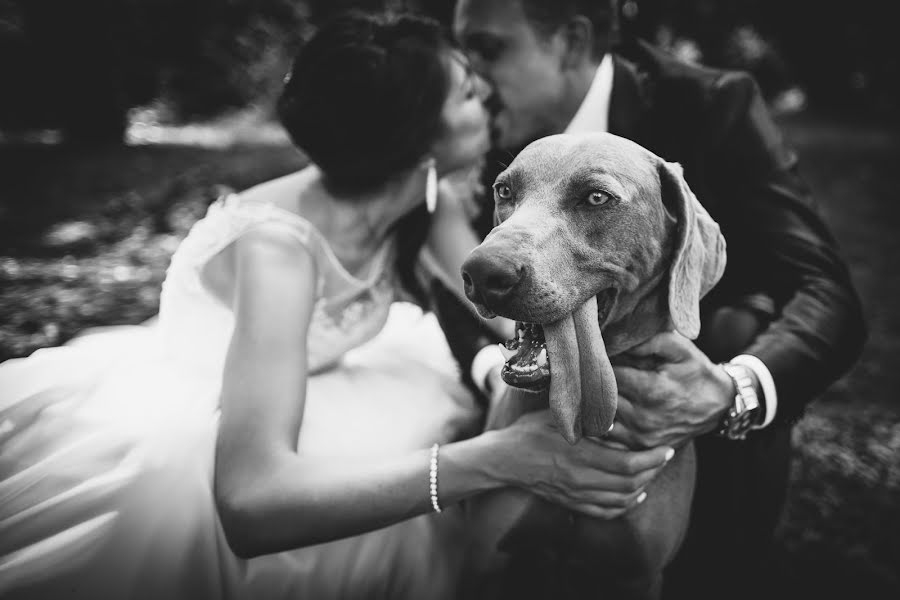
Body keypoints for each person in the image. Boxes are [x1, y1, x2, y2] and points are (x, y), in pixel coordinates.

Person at [0, 10, 676, 600]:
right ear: (419, 132)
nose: (489, 96)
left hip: (340, 373)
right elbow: (250, 504)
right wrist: (504, 455)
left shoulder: (428, 198)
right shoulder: (277, 251)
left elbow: (505, 307)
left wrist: (604, 349)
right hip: (225, 407)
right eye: (470, 91)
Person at [438, 0, 867, 597]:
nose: (469, 76)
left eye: (489, 49)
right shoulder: (502, 129)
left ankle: (726, 564)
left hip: (695, 344)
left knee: (740, 330)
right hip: (544, 344)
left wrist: (730, 392)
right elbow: (441, 270)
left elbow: (827, 291)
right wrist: (492, 370)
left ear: (569, 41)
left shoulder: (714, 105)